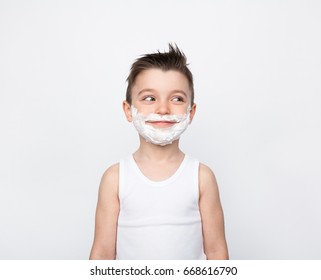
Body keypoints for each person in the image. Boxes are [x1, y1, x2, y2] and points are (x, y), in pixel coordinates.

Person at [89, 44, 228, 260]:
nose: (163, 109)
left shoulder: (202, 177)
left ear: (191, 112)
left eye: (177, 99)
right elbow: (102, 254)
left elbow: (217, 252)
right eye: (150, 98)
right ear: (128, 110)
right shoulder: (115, 178)